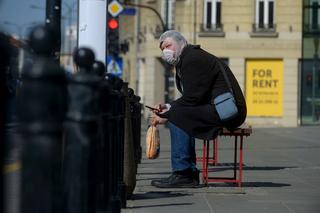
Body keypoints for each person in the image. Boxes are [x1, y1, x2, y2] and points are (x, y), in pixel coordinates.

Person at [149, 30, 247, 188]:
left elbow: (193, 99)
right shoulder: (187, 58)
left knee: (176, 116)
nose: (165, 51)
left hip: (228, 111)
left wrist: (168, 113)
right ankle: (188, 172)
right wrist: (167, 107)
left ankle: (184, 173)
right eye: (162, 49)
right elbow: (193, 96)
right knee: (176, 113)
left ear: (181, 43)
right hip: (219, 108)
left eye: (168, 46)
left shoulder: (192, 58)